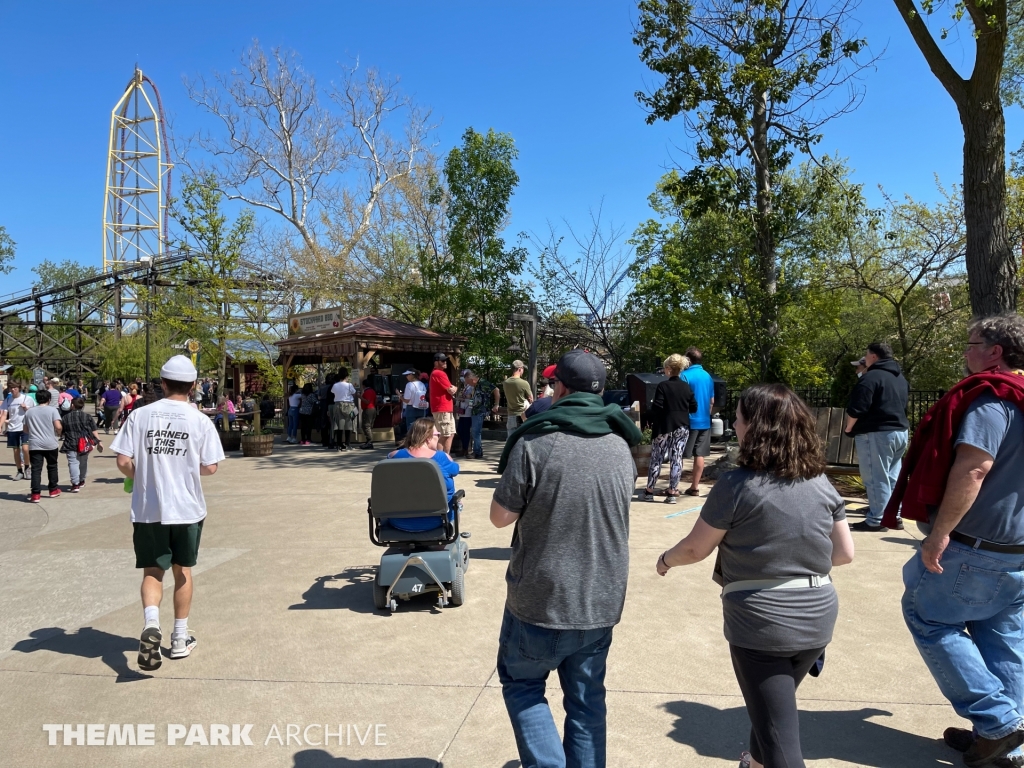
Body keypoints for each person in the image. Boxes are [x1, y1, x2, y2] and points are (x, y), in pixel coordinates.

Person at [657, 383, 855, 768]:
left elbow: (696, 549)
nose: (734, 422)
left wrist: (665, 560)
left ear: (757, 427)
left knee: (780, 737)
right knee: (770, 715)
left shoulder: (735, 484)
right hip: (817, 617)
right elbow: (844, 554)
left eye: (740, 417)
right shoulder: (821, 483)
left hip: (763, 624)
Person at [490, 350, 641, 768]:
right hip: (601, 600)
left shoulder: (536, 442)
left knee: (522, 686)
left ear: (560, 389)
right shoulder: (620, 445)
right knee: (587, 701)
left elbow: (500, 518)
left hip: (540, 599)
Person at [891, 315, 1024, 766]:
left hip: (976, 546)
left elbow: (974, 469)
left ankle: (999, 723)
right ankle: (1010, 745)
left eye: (971, 344)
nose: (964, 352)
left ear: (996, 351)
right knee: (1002, 639)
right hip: (1018, 551)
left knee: (928, 617)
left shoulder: (993, 400)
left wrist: (938, 535)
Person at [110, 355, 224, 671]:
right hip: (187, 508)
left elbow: (122, 462)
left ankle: (151, 624)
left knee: (152, 572)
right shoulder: (200, 420)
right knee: (183, 570)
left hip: (149, 508)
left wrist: (142, 473)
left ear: (162, 384)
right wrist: (184, 466)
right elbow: (211, 467)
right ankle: (179, 637)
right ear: (192, 386)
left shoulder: (139, 415)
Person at [844, 342, 910, 532]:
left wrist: (849, 429)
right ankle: (893, 515)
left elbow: (856, 409)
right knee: (892, 477)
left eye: (867, 354)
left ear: (873, 356)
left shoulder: (870, 378)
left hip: (877, 433)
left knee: (875, 477)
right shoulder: (900, 378)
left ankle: (877, 520)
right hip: (900, 432)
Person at [386, 417, 461, 531]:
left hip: (398, 521)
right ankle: (446, 541)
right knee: (458, 501)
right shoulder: (442, 458)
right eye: (437, 434)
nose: (439, 437)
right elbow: (455, 470)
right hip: (438, 521)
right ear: (428, 437)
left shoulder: (393, 456)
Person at [640, 353, 697, 503]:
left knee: (657, 458)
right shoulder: (686, 387)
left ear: (669, 369)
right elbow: (694, 407)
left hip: (664, 426)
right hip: (682, 426)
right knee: (676, 458)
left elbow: (657, 406)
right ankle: (672, 492)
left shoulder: (663, 386)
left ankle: (649, 491)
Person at [680, 346, 715, 497]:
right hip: (704, 421)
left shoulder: (684, 376)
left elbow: (680, 400)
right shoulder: (708, 376)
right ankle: (694, 487)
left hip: (688, 421)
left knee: (679, 455)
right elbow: (711, 401)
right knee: (699, 454)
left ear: (688, 360)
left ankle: (673, 486)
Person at [22, 388, 64, 502]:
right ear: (49, 399)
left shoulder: (29, 411)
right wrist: (59, 433)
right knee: (52, 466)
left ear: (36, 399)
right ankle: (53, 489)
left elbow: (25, 429)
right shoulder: (52, 410)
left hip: (35, 444)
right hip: (50, 443)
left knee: (36, 469)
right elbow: (58, 426)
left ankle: (35, 494)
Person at [60, 396, 103, 492]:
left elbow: (61, 431)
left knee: (73, 463)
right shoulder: (87, 417)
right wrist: (99, 441)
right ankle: (81, 480)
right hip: (85, 443)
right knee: (83, 462)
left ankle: (75, 484)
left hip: (70, 442)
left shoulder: (65, 417)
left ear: (72, 406)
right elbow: (94, 430)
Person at [0, 382, 34, 480]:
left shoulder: (27, 398)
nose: (13, 390)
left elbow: (33, 412)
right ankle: (19, 471)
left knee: (25, 449)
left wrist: (26, 408)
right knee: (16, 451)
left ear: (19, 388)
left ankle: (27, 468)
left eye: (15, 388)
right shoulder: (8, 400)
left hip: (25, 427)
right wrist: (0, 425)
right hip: (12, 428)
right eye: (11, 388)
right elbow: (4, 415)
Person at [466, 370, 500, 459]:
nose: (468, 384)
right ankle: (477, 451)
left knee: (476, 432)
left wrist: (496, 404)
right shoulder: (476, 386)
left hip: (480, 411)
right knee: (475, 432)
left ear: (473, 379)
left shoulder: (483, 383)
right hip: (475, 410)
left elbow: (496, 390)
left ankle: (477, 452)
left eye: (468, 382)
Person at [429, 353, 458, 454]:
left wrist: (453, 388)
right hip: (442, 408)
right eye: (442, 360)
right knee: (444, 434)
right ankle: (440, 460)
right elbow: (451, 390)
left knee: (450, 433)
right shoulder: (438, 373)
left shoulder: (437, 373)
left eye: (445, 360)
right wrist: (455, 388)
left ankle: (446, 457)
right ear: (436, 362)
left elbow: (451, 389)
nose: (445, 362)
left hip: (445, 408)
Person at [330, 368, 359, 451]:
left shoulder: (335, 385)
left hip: (338, 405)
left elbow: (333, 392)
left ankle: (339, 444)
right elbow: (354, 393)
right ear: (347, 376)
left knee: (339, 426)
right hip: (349, 406)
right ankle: (347, 444)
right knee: (349, 426)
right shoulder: (349, 385)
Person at [502, 360, 533, 436]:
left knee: (511, 442)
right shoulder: (524, 383)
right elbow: (531, 399)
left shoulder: (506, 383)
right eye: (523, 369)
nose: (523, 371)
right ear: (520, 369)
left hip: (510, 415)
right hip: (521, 415)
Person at [454, 372, 474, 457]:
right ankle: (464, 448)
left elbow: (472, 400)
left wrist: (464, 399)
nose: (463, 380)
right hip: (462, 412)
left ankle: (466, 449)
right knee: (459, 430)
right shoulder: (465, 387)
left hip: (468, 413)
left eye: (464, 378)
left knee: (465, 431)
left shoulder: (472, 388)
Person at [359, 377, 377, 449]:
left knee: (366, 426)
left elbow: (367, 401)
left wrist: (360, 397)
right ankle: (368, 440)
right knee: (369, 425)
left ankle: (369, 441)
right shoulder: (372, 391)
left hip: (368, 409)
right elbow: (376, 400)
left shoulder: (367, 392)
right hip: (373, 408)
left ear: (364, 385)